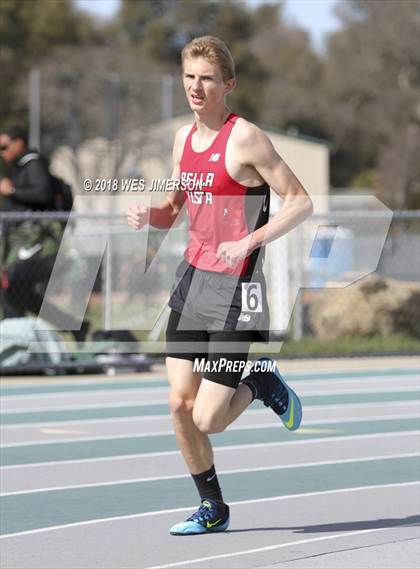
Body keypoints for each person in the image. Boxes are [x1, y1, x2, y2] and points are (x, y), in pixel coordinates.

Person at [127, 36, 313, 535]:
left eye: (207, 78)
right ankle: (213, 508)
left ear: (227, 84)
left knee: (209, 417)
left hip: (238, 293)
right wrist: (150, 214)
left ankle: (261, 382)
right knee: (178, 404)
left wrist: (248, 240)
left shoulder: (246, 137)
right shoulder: (182, 140)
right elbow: (172, 211)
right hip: (193, 284)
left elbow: (299, 202)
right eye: (189, 76)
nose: (196, 86)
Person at [0, 126, 89, 343]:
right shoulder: (19, 168)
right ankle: (71, 327)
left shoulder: (34, 164)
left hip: (41, 245)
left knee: (9, 283)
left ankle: (16, 340)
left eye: (4, 146)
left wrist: (10, 191)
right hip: (22, 243)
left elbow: (42, 193)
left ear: (19, 142)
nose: (1, 151)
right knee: (16, 293)